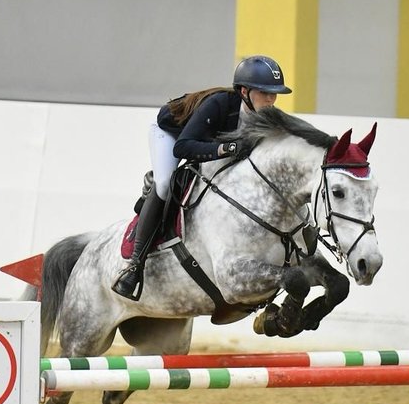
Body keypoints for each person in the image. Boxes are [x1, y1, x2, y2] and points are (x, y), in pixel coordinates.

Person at [111, 54, 293, 300]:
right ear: (243, 91)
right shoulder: (219, 104)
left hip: (204, 141)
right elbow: (184, 147)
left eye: (274, 94)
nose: (271, 99)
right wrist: (226, 149)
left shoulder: (267, 116)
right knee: (165, 183)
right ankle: (134, 265)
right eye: (265, 93)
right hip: (172, 135)